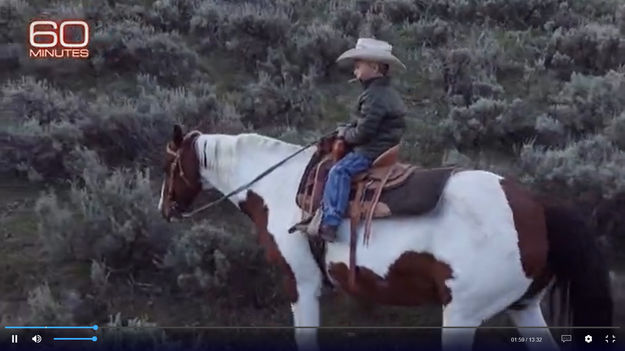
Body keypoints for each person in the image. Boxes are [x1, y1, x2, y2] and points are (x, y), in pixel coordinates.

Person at [319, 38, 407, 242]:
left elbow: (364, 133)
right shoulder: (384, 93)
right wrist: (348, 128)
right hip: (383, 146)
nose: (355, 71)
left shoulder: (374, 96)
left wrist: (344, 135)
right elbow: (365, 124)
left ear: (374, 67)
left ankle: (331, 221)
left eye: (358, 66)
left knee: (339, 170)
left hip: (371, 151)